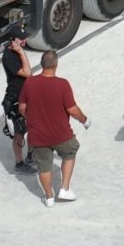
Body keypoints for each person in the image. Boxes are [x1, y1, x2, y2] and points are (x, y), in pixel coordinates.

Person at [19, 48, 88, 203]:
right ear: (56, 65)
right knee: (70, 153)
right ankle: (64, 188)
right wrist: (84, 120)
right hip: (61, 134)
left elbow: (22, 108)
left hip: (38, 135)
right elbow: (72, 109)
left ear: (41, 64)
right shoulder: (62, 84)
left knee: (44, 167)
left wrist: (31, 119)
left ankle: (49, 197)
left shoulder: (29, 83)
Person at [0, 32, 30, 171]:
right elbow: (27, 73)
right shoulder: (9, 56)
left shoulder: (18, 51)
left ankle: (31, 155)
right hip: (15, 99)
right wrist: (22, 53)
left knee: (31, 126)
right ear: (12, 40)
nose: (25, 40)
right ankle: (19, 163)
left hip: (25, 96)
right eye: (21, 39)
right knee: (19, 132)